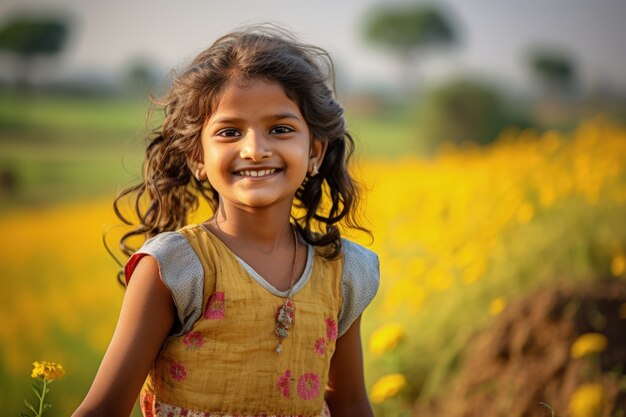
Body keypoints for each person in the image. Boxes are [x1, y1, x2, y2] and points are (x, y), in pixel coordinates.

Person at [73, 25, 379, 417]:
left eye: (281, 129)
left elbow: (350, 402)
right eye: (230, 132)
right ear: (198, 157)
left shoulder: (342, 271)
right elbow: (103, 410)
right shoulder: (175, 269)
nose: (255, 150)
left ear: (315, 151)